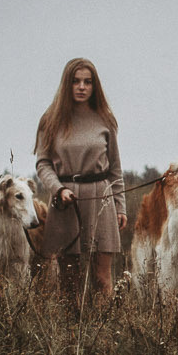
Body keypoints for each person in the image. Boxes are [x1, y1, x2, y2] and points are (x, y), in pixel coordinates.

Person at [33, 57, 125, 305]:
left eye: (87, 82)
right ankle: (71, 334)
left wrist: (120, 206)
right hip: (65, 200)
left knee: (102, 278)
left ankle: (105, 333)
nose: (82, 87)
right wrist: (58, 189)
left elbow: (115, 167)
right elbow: (43, 163)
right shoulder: (50, 120)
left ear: (95, 86)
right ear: (67, 84)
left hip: (101, 198)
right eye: (76, 82)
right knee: (69, 279)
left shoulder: (105, 119)